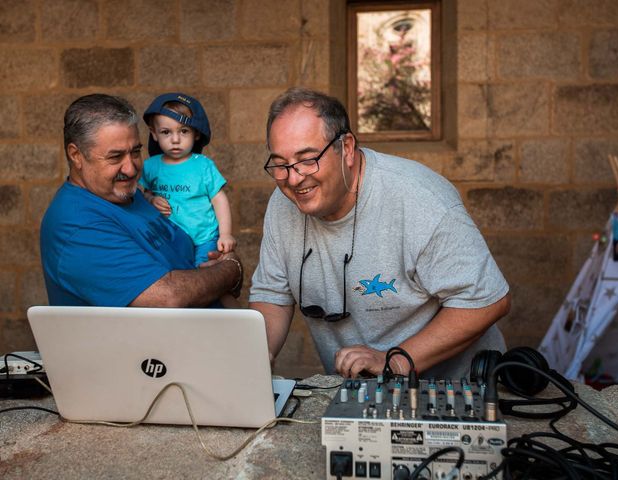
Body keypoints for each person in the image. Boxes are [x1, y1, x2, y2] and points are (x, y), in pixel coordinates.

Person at [249, 87, 511, 380]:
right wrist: (256, 356)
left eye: (308, 159)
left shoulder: (420, 198)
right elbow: (273, 293)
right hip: (360, 395)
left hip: (454, 391)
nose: (294, 179)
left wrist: (395, 361)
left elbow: (486, 300)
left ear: (346, 148)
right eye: (281, 164)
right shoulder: (282, 203)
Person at [40, 93, 242, 307]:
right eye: (115, 157)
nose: (131, 168)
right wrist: (229, 270)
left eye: (135, 152)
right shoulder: (77, 226)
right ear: (76, 155)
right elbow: (169, 297)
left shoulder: (132, 194)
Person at [139, 93, 236, 266]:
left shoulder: (203, 166)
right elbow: (140, 194)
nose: (175, 140)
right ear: (154, 134)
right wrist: (151, 199)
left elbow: (219, 200)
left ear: (196, 133)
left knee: (203, 275)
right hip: (169, 238)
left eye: (184, 131)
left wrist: (226, 234)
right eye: (166, 132)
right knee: (174, 276)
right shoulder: (150, 166)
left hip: (204, 237)